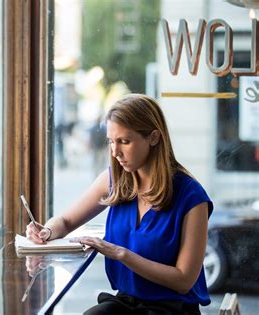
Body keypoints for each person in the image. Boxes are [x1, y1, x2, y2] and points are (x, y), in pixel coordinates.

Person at [26, 94, 213, 315]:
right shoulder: (115, 180)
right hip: (127, 302)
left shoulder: (191, 196)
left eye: (124, 141)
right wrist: (46, 231)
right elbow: (65, 221)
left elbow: (184, 280)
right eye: (111, 142)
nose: (115, 153)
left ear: (153, 138)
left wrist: (120, 253)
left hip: (172, 308)